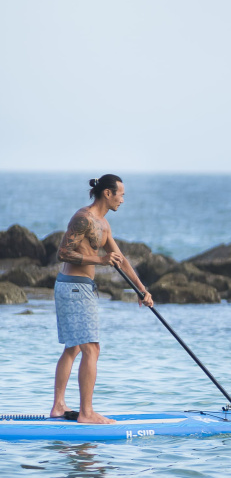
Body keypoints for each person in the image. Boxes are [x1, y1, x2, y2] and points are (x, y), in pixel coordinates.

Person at [50, 175, 154, 424]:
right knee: (92, 348)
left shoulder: (103, 225)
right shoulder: (83, 218)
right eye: (121, 194)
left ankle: (58, 406)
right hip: (74, 288)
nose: (123, 199)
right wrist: (100, 260)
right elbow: (63, 252)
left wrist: (141, 289)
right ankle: (86, 413)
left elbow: (121, 260)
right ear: (107, 193)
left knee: (74, 347)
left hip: (79, 288)